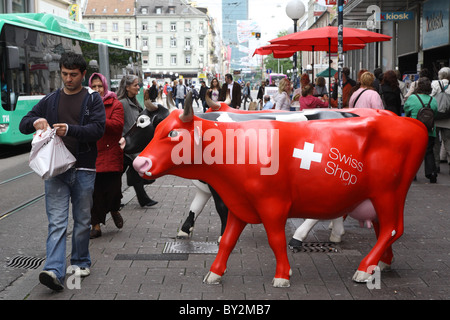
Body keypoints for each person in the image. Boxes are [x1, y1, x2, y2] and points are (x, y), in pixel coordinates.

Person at [19, 52, 105, 291]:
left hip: (84, 168)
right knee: (57, 222)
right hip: (56, 170)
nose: (68, 79)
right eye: (65, 74)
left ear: (83, 75)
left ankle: (79, 261)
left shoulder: (92, 99)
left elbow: (98, 130)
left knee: (82, 221)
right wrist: (35, 122)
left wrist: (71, 130)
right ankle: (54, 270)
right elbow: (24, 122)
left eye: (73, 75)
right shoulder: (52, 99)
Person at [88, 73, 124, 239]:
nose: (97, 90)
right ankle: (95, 226)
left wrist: (98, 118)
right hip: (92, 153)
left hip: (110, 153)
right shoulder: (86, 104)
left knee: (113, 191)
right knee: (94, 194)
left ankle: (114, 209)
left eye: (99, 86)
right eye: (93, 86)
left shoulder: (115, 104)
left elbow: (117, 126)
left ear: (105, 87)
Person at [117, 75, 158, 208]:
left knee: (132, 172)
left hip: (132, 145)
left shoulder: (134, 101)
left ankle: (142, 199)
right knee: (118, 175)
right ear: (127, 87)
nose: (138, 87)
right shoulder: (123, 103)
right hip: (126, 146)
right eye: (135, 85)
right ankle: (113, 200)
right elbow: (127, 125)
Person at [404, 77, 438, 183]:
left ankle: (412, 174)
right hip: (430, 130)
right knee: (429, 152)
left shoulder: (412, 98)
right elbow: (435, 114)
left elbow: (406, 110)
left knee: (414, 152)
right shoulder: (433, 100)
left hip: (415, 131)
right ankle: (431, 172)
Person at [431, 67, 450, 174]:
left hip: (436, 117)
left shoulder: (435, 84)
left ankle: (436, 165)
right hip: (448, 119)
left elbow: (431, 96)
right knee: (448, 141)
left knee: (435, 143)